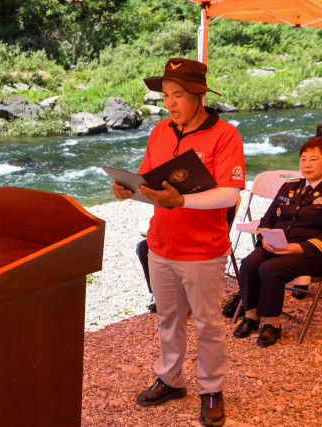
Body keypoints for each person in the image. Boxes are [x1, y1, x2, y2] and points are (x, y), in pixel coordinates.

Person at [113, 58, 245, 427]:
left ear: (200, 95)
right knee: (168, 319)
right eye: (166, 95)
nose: (170, 102)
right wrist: (129, 190)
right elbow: (150, 185)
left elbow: (230, 194)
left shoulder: (225, 135)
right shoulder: (159, 131)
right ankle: (170, 379)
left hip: (203, 251)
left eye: (178, 95)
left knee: (208, 324)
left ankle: (211, 389)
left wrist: (182, 200)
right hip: (160, 245)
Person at [234, 137, 322, 347]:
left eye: (313, 159)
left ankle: (273, 324)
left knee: (270, 268)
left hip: (310, 253)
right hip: (277, 244)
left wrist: (298, 248)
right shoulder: (290, 186)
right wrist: (264, 238)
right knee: (249, 263)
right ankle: (251, 316)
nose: (307, 164)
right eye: (303, 159)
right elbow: (268, 218)